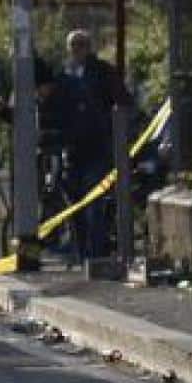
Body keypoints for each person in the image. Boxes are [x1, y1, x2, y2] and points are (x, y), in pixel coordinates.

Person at [45, 29, 127, 257]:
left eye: (81, 44)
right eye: (73, 45)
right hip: (72, 150)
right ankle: (82, 252)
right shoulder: (63, 75)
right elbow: (54, 106)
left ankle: (96, 252)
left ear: (89, 47)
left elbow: (122, 99)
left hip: (97, 147)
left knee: (94, 203)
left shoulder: (102, 72)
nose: (77, 49)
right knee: (76, 205)